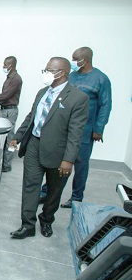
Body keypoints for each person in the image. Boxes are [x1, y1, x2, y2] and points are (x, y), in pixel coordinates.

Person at [9, 57, 89, 239]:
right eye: (45, 70)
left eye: (49, 70)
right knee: (30, 186)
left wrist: (68, 160)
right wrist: (17, 137)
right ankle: (27, 225)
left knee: (53, 191)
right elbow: (32, 117)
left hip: (58, 153)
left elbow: (76, 133)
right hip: (34, 145)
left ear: (63, 72)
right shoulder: (42, 92)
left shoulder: (78, 98)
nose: (45, 74)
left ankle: (46, 219)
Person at [44, 47, 112, 208]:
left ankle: (76, 198)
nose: (73, 62)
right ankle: (47, 191)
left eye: (75, 59)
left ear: (85, 60)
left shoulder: (101, 79)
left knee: (80, 164)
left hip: (85, 131)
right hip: (63, 129)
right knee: (56, 162)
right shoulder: (71, 77)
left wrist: (99, 129)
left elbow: (105, 105)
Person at [0, 56, 23, 173]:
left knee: (10, 139)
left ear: (11, 65)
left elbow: (6, 95)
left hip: (10, 111)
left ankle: (7, 165)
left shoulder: (16, 79)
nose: (4, 67)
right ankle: (3, 163)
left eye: (6, 65)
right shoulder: (9, 77)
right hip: (5, 109)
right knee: (3, 138)